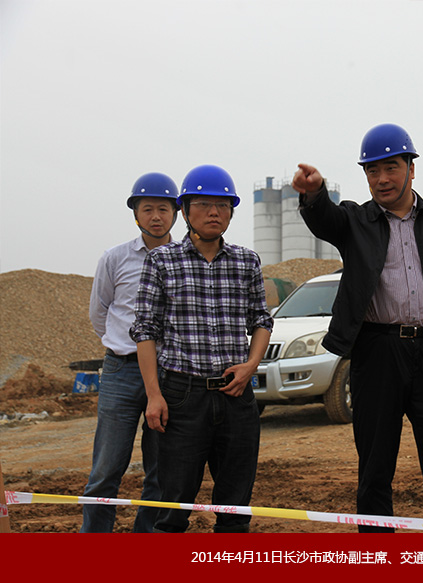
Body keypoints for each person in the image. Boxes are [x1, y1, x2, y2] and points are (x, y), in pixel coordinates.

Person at [291, 123, 423, 532]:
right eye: (372, 170)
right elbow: (325, 219)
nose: (382, 179)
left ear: (411, 169)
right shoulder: (355, 221)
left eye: (391, 168)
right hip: (377, 354)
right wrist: (314, 194)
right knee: (374, 468)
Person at [130, 164, 273, 533]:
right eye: (205, 205)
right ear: (185, 210)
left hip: (236, 396)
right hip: (183, 397)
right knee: (173, 506)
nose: (214, 213)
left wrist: (251, 365)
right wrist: (154, 395)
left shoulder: (246, 261)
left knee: (235, 508)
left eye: (223, 206)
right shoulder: (162, 261)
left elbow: (261, 320)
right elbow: (145, 330)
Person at [80, 172, 179, 533]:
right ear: (135, 214)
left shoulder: (185, 260)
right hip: (121, 371)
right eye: (147, 209)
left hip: (169, 374)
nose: (156, 216)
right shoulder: (115, 258)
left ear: (176, 213)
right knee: (106, 469)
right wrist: (124, 347)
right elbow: (99, 313)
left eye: (163, 209)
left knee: (161, 471)